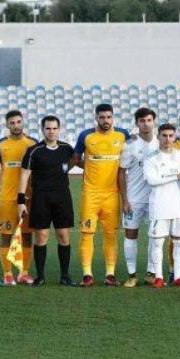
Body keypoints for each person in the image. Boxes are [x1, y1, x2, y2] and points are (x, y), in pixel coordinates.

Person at [73, 103, 130, 287]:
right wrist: (89, 167)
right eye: (102, 117)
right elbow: (75, 158)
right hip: (90, 194)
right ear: (96, 118)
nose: (106, 121)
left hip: (112, 194)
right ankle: (87, 274)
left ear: (113, 117)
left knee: (111, 235)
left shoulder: (123, 135)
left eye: (109, 117)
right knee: (87, 234)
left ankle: (110, 274)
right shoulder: (86, 136)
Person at [18, 115, 77, 287]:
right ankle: (41, 276)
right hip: (41, 198)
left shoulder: (67, 149)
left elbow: (74, 162)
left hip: (62, 197)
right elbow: (24, 175)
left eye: (54, 128)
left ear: (59, 129)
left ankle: (65, 276)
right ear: (42, 130)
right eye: (48, 128)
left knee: (63, 236)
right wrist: (20, 201)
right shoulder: (34, 151)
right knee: (41, 236)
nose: (51, 131)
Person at [0, 110, 38, 285]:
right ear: (7, 125)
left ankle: (23, 273)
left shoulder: (32, 143)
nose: (16, 126)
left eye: (18, 122)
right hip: (7, 198)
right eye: (12, 123)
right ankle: (8, 274)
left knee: (26, 235)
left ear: (23, 122)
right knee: (5, 235)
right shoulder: (0, 144)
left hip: (28, 198)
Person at [144, 124, 180, 288]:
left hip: (178, 206)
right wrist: (175, 177)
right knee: (157, 243)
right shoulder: (150, 159)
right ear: (158, 137)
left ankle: (178, 276)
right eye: (164, 135)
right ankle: (158, 276)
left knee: (179, 242)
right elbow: (152, 181)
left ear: (175, 137)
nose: (167, 139)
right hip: (159, 206)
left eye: (171, 136)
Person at [118, 107, 160, 288]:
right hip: (134, 199)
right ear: (137, 123)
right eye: (142, 121)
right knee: (130, 234)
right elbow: (121, 172)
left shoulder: (162, 143)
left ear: (154, 122)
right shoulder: (130, 145)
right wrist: (125, 200)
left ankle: (151, 273)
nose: (146, 124)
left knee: (155, 236)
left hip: (156, 199)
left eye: (149, 120)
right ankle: (132, 274)